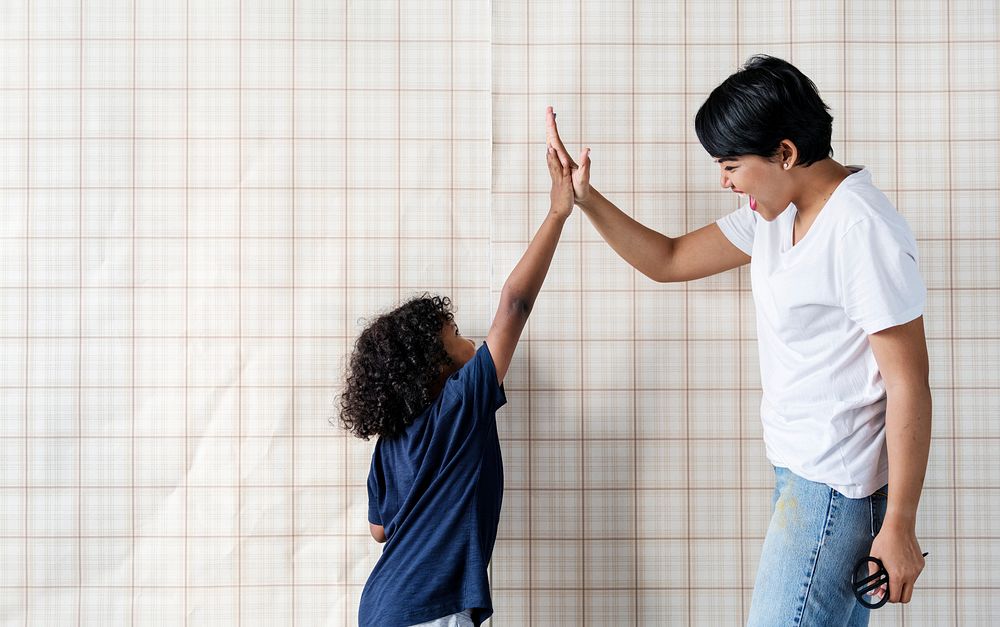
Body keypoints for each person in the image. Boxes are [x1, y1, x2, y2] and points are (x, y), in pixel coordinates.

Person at [546, 56, 931, 626]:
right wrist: (586, 199)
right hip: (799, 474)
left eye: (731, 165)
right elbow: (668, 259)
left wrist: (898, 522)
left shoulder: (860, 229)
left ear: (786, 153)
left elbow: (908, 383)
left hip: (838, 491)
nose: (724, 182)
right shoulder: (772, 213)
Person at [339, 136, 575, 627]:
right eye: (457, 337)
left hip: (382, 606)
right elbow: (515, 304)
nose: (472, 342)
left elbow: (380, 529)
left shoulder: (390, 443)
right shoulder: (460, 404)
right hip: (431, 610)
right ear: (436, 370)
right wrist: (557, 212)